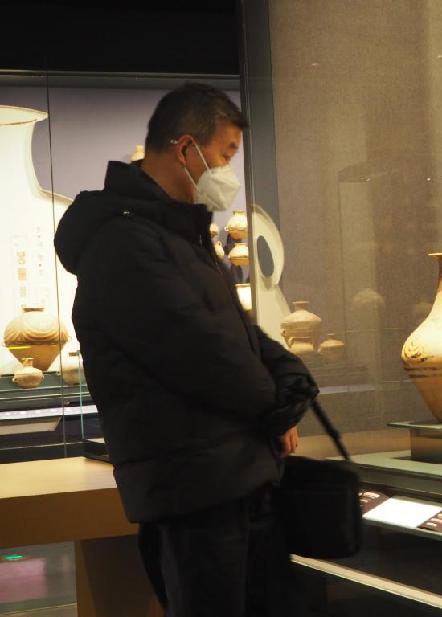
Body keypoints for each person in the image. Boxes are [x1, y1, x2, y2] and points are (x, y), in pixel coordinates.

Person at [54, 82, 317, 616]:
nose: (227, 172)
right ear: (185, 149)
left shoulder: (176, 237)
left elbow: (238, 334)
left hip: (226, 477)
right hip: (193, 488)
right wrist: (276, 406)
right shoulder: (125, 245)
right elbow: (200, 352)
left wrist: (290, 375)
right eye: (225, 154)